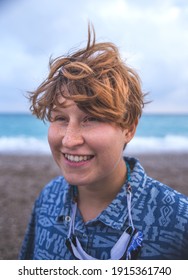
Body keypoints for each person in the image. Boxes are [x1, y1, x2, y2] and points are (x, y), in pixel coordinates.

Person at [19, 25, 188, 260]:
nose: (69, 139)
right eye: (60, 118)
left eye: (92, 118)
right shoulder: (48, 198)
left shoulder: (178, 219)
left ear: (129, 128)